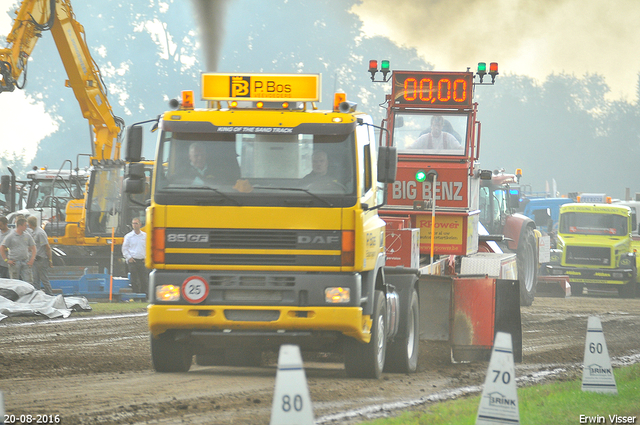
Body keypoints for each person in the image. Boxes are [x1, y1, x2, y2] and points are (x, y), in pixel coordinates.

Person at [0, 217, 36, 286]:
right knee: (14, 282)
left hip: (25, 261)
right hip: (14, 262)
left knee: (29, 282)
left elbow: (33, 247)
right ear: (20, 226)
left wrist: (32, 259)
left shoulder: (27, 235)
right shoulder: (11, 236)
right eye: (25, 225)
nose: (26, 227)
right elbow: (2, 247)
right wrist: (6, 260)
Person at [27, 216, 53, 295]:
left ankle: (50, 294)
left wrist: (50, 260)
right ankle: (36, 295)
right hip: (35, 259)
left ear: (30, 224)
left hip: (41, 259)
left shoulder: (40, 233)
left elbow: (47, 247)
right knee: (35, 279)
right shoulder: (33, 232)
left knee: (44, 279)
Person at [121, 217, 148, 295]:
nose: (135, 225)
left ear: (140, 224)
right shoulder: (128, 236)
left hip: (143, 261)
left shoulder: (145, 236)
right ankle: (136, 295)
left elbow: (149, 247)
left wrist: (146, 258)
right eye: (133, 223)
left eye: (136, 223)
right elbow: (125, 248)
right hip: (133, 261)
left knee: (144, 279)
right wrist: (129, 258)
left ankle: (144, 296)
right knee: (134, 280)